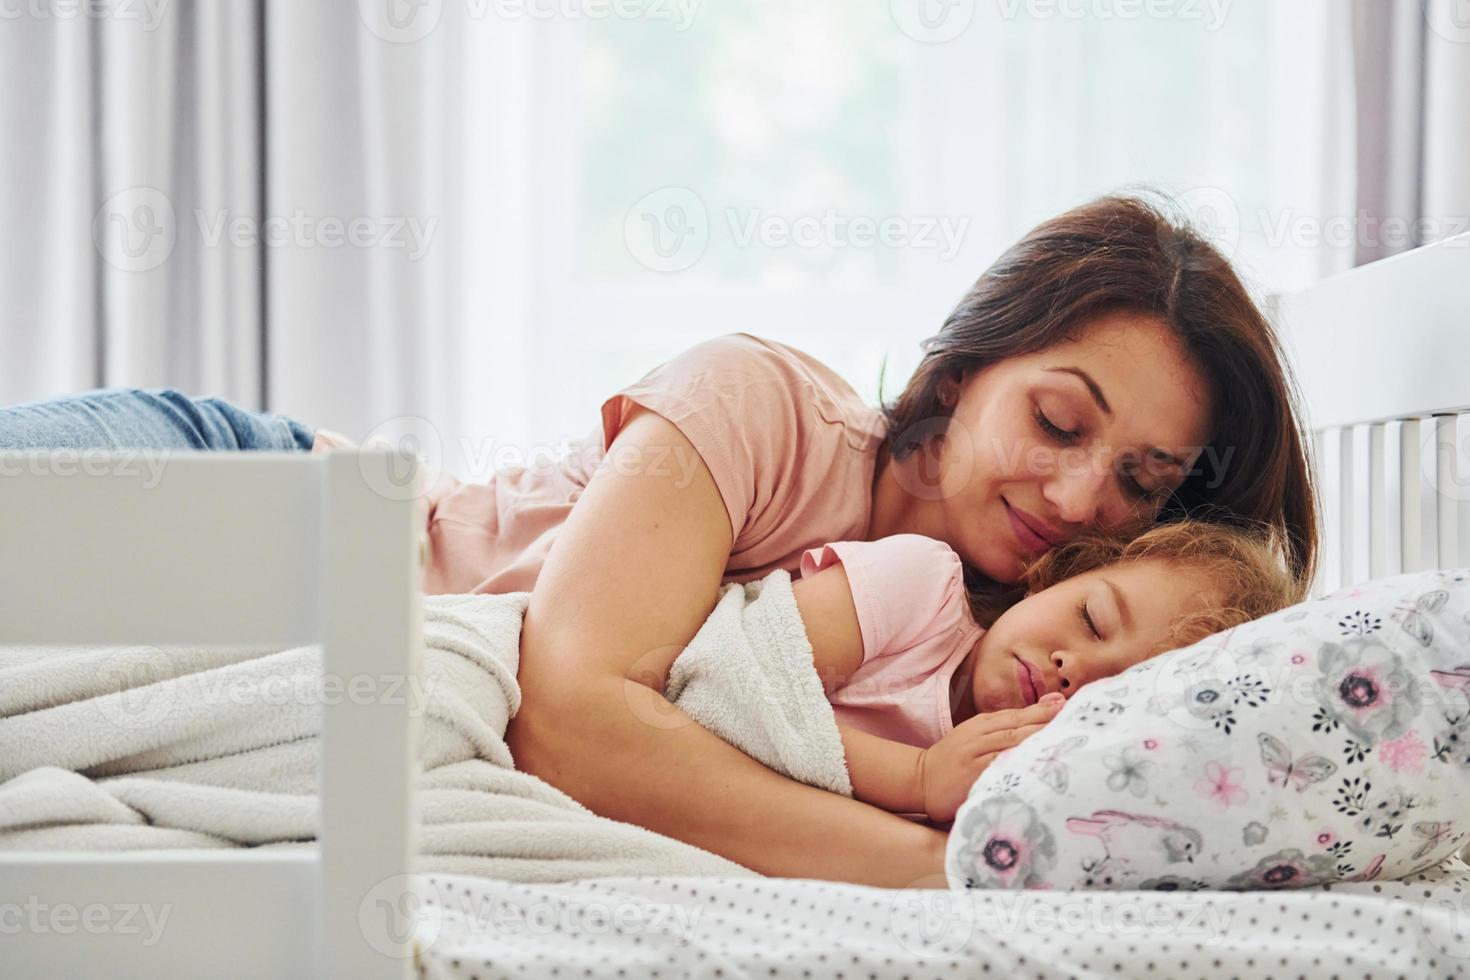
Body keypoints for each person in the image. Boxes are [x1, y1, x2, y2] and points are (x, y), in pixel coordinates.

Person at [0, 193, 1319, 887]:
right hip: (248, 498)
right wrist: (940, 865)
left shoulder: (995, 676)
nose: (1082, 495)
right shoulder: (764, 405)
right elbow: (570, 719)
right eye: (1056, 418)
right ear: (973, 361)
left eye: (1141, 483)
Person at [789, 522, 1297, 827]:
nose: (1073, 669)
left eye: (1114, 694)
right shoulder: (918, 586)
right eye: (1091, 620)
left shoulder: (1013, 799)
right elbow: (730, 679)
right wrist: (915, 778)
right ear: (1052, 577)